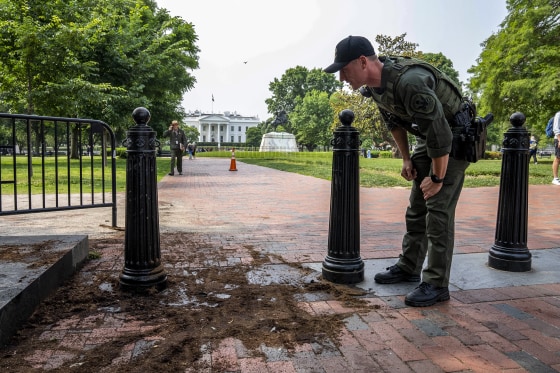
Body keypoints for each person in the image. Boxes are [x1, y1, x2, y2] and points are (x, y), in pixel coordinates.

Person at [324, 35, 487, 307]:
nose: (341, 77)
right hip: (430, 138)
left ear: (363, 62)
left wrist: (436, 178)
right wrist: (406, 159)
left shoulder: (410, 83)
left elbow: (441, 136)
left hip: (455, 139)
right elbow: (394, 121)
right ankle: (409, 267)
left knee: (437, 209)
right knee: (416, 208)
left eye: (344, 69)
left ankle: (436, 283)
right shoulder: (374, 86)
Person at [552, 111, 560, 185]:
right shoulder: (558, 114)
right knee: (558, 157)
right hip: (559, 138)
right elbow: (556, 128)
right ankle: (555, 178)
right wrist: (559, 139)